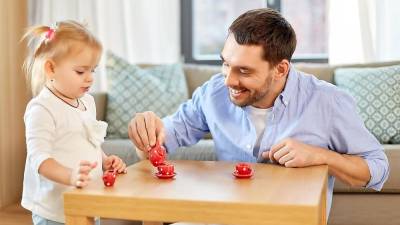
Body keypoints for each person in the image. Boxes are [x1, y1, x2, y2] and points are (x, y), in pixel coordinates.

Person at [128, 8, 389, 216]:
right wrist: (146, 134)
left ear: (281, 69)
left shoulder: (327, 102)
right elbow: (158, 145)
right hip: (225, 217)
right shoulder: (213, 93)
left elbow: (377, 169)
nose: (228, 80)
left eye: (244, 71)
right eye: (225, 64)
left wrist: (321, 156)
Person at [21, 20, 127, 225]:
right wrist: (70, 176)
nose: (89, 79)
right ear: (51, 68)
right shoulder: (42, 109)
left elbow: (89, 140)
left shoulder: (87, 101)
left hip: (87, 201)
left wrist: (105, 160)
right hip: (55, 211)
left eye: (93, 70)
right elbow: (40, 160)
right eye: (80, 71)